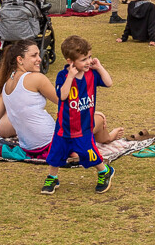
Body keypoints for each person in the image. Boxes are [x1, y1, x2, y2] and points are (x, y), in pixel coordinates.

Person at [42, 35, 116, 195]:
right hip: (64, 127)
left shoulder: (92, 74)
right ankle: (52, 177)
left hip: (83, 128)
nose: (88, 62)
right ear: (70, 61)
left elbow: (109, 83)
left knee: (87, 153)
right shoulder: (63, 76)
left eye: (89, 57)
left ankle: (104, 171)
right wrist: (70, 77)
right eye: (84, 59)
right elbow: (62, 95)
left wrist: (99, 67)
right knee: (55, 154)